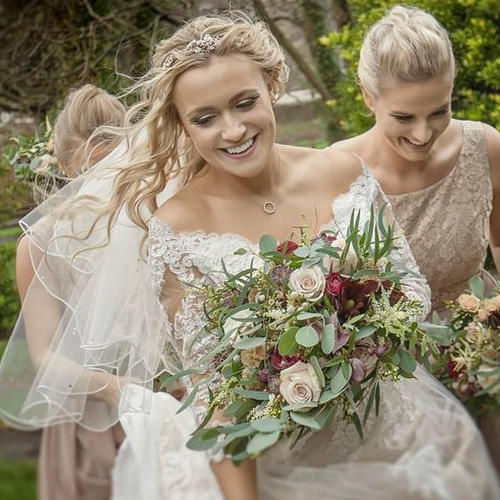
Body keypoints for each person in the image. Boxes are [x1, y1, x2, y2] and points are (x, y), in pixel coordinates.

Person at [0, 13, 498, 500]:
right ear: (182, 125)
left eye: (245, 103)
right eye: (205, 118)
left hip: (396, 435)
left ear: (273, 86)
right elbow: (216, 400)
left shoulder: (343, 172)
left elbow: (410, 290)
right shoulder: (176, 228)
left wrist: (348, 336)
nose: (234, 130)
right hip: (277, 467)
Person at [330, 4, 500, 472]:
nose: (423, 133)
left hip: (482, 358)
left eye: (439, 111)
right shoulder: (333, 172)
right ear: (368, 96)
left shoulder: (484, 147)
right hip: (386, 380)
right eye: (403, 116)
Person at [17, 84, 126, 500]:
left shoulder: (164, 218)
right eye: (89, 172)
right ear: (65, 166)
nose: (101, 184)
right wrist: (118, 389)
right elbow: (42, 356)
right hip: (87, 421)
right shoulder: (40, 243)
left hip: (171, 404)